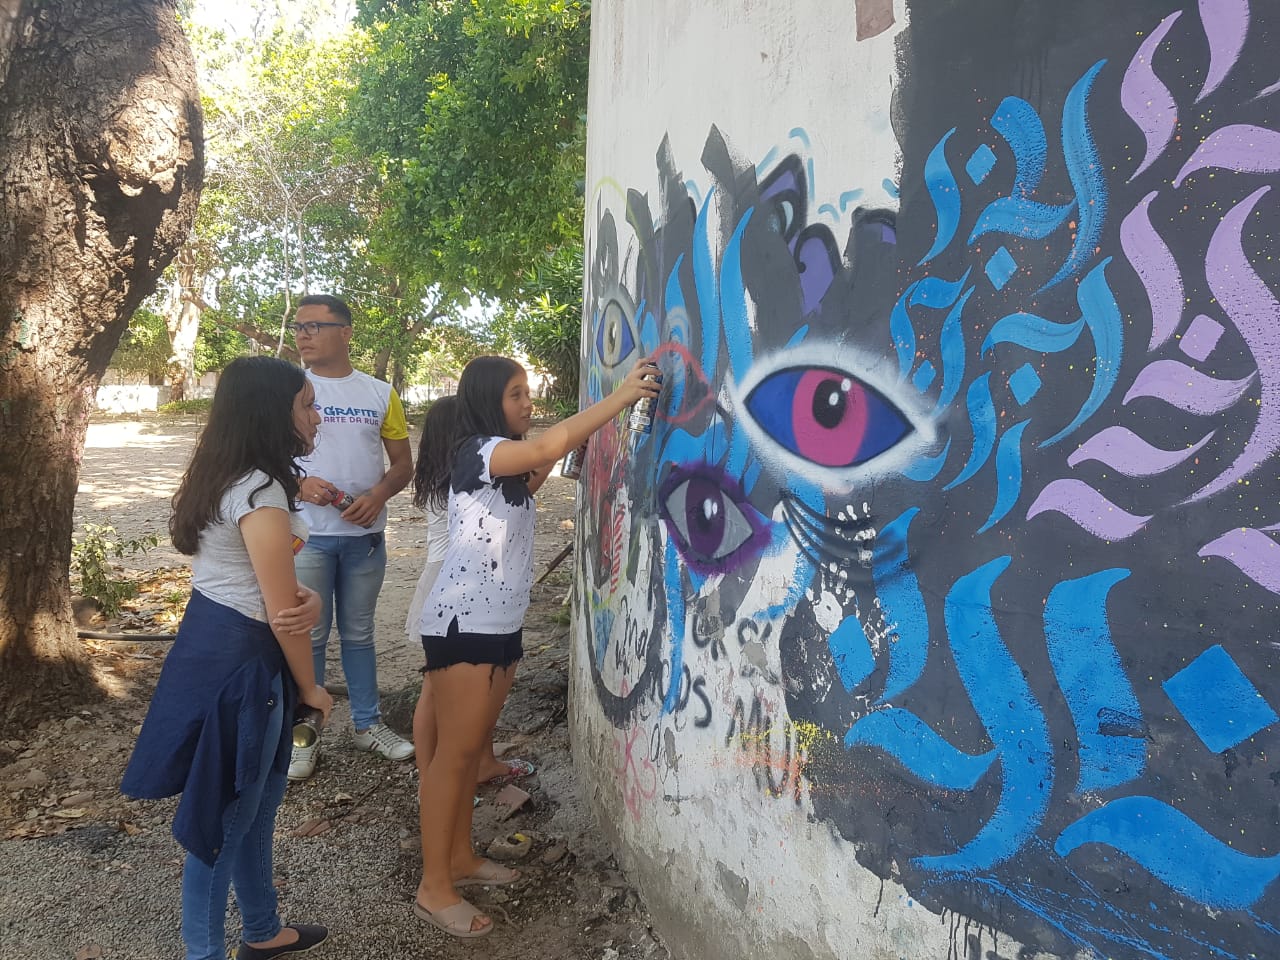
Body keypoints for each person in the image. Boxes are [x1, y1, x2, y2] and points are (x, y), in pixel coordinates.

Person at [411, 353, 660, 938]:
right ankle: (433, 887)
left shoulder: (503, 467)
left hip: (498, 624)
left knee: (467, 754)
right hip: (464, 625)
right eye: (516, 394)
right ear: (487, 401)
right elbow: (546, 446)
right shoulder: (477, 450)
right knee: (453, 758)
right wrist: (621, 397)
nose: (528, 403)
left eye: (527, 392)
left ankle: (461, 858)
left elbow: (537, 471)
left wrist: (580, 445)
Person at [121, 356, 335, 960]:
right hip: (245, 667)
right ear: (272, 412)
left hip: (210, 647)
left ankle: (263, 930)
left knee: (255, 806)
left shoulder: (226, 474)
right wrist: (312, 689)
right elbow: (282, 614)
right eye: (306, 405)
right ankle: (205, 952)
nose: (317, 417)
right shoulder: (262, 492)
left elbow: (267, 585)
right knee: (223, 822)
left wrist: (308, 596)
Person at [287, 294, 415, 781]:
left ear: (345, 332)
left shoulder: (380, 393)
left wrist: (378, 495)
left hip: (364, 539)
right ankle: (305, 736)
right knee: (311, 638)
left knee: (359, 635)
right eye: (298, 327)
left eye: (314, 326)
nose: (303, 335)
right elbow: (258, 457)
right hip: (307, 538)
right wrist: (297, 485)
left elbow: (403, 465)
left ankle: (368, 725)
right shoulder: (288, 390)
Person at [406, 396, 539, 791]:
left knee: (470, 697)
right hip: (451, 590)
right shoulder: (463, 472)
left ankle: (477, 764)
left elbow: (521, 490)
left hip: (463, 587)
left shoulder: (447, 473)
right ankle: (432, 781)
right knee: (434, 694)